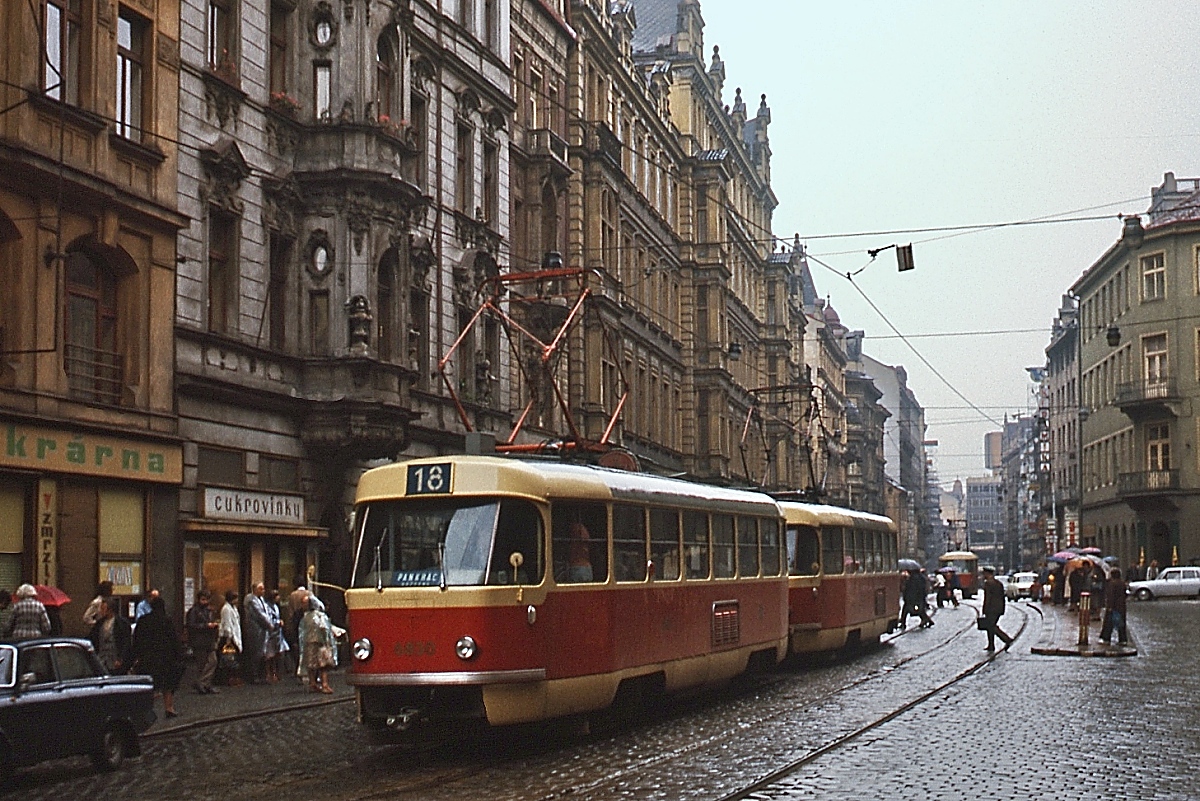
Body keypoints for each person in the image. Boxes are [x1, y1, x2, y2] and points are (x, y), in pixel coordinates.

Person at [131, 595, 183, 717]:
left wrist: (136, 656)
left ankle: (145, 710)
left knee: (149, 686)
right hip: (165, 657)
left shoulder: (143, 621)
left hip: (147, 657)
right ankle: (169, 708)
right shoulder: (166, 620)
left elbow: (137, 640)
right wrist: (178, 654)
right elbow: (174, 639)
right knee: (167, 685)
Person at [299, 595, 336, 693]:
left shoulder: (306, 617)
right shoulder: (321, 616)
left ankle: (312, 683)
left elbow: (302, 631)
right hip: (321, 643)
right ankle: (324, 684)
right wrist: (327, 642)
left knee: (311, 665)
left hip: (308, 642)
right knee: (323, 665)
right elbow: (324, 628)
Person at [185, 589, 220, 694]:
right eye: (203, 599)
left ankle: (203, 683)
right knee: (202, 664)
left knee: (212, 661)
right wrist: (206, 626)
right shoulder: (194, 611)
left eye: (206, 599)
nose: (205, 602)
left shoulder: (209, 610)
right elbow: (191, 625)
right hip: (199, 640)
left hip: (209, 640)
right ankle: (204, 684)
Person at [89, 597, 132, 674]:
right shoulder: (99, 624)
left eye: (103, 608)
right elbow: (93, 638)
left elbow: (126, 643)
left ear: (110, 609)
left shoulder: (122, 624)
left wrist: (121, 658)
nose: (100, 611)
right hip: (102, 657)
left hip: (115, 658)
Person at [242, 582, 271, 684]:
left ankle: (261, 675)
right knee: (255, 653)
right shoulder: (251, 599)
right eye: (261, 589)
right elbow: (259, 614)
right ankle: (254, 676)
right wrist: (269, 624)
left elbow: (267, 612)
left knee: (262, 653)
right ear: (255, 589)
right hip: (255, 630)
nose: (263, 591)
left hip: (263, 630)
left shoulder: (261, 599)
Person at [980, 566, 1014, 652]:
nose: (983, 575)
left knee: (991, 626)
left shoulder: (988, 583)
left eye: (984, 573)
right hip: (998, 608)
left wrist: (984, 609)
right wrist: (1002, 608)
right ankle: (991, 645)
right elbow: (1002, 597)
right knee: (990, 627)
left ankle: (1006, 639)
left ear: (988, 574)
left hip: (991, 609)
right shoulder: (998, 583)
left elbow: (987, 598)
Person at [217, 589, 243, 686]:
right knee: (228, 659)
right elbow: (227, 624)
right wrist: (229, 637)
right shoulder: (226, 609)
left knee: (233, 659)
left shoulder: (234, 608)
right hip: (229, 638)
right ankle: (228, 679)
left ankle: (233, 678)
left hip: (235, 635)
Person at [263, 588, 288, 683]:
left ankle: (275, 673)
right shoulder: (267, 607)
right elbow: (269, 619)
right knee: (269, 656)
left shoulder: (276, 606)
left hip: (278, 634)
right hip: (271, 633)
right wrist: (278, 622)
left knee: (278, 654)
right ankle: (268, 674)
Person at [1100, 568, 1129, 645]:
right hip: (1121, 606)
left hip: (1113, 607)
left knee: (1109, 624)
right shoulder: (1122, 583)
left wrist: (1109, 606)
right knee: (1121, 624)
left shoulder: (1112, 584)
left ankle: (1106, 638)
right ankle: (1122, 639)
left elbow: (1111, 596)